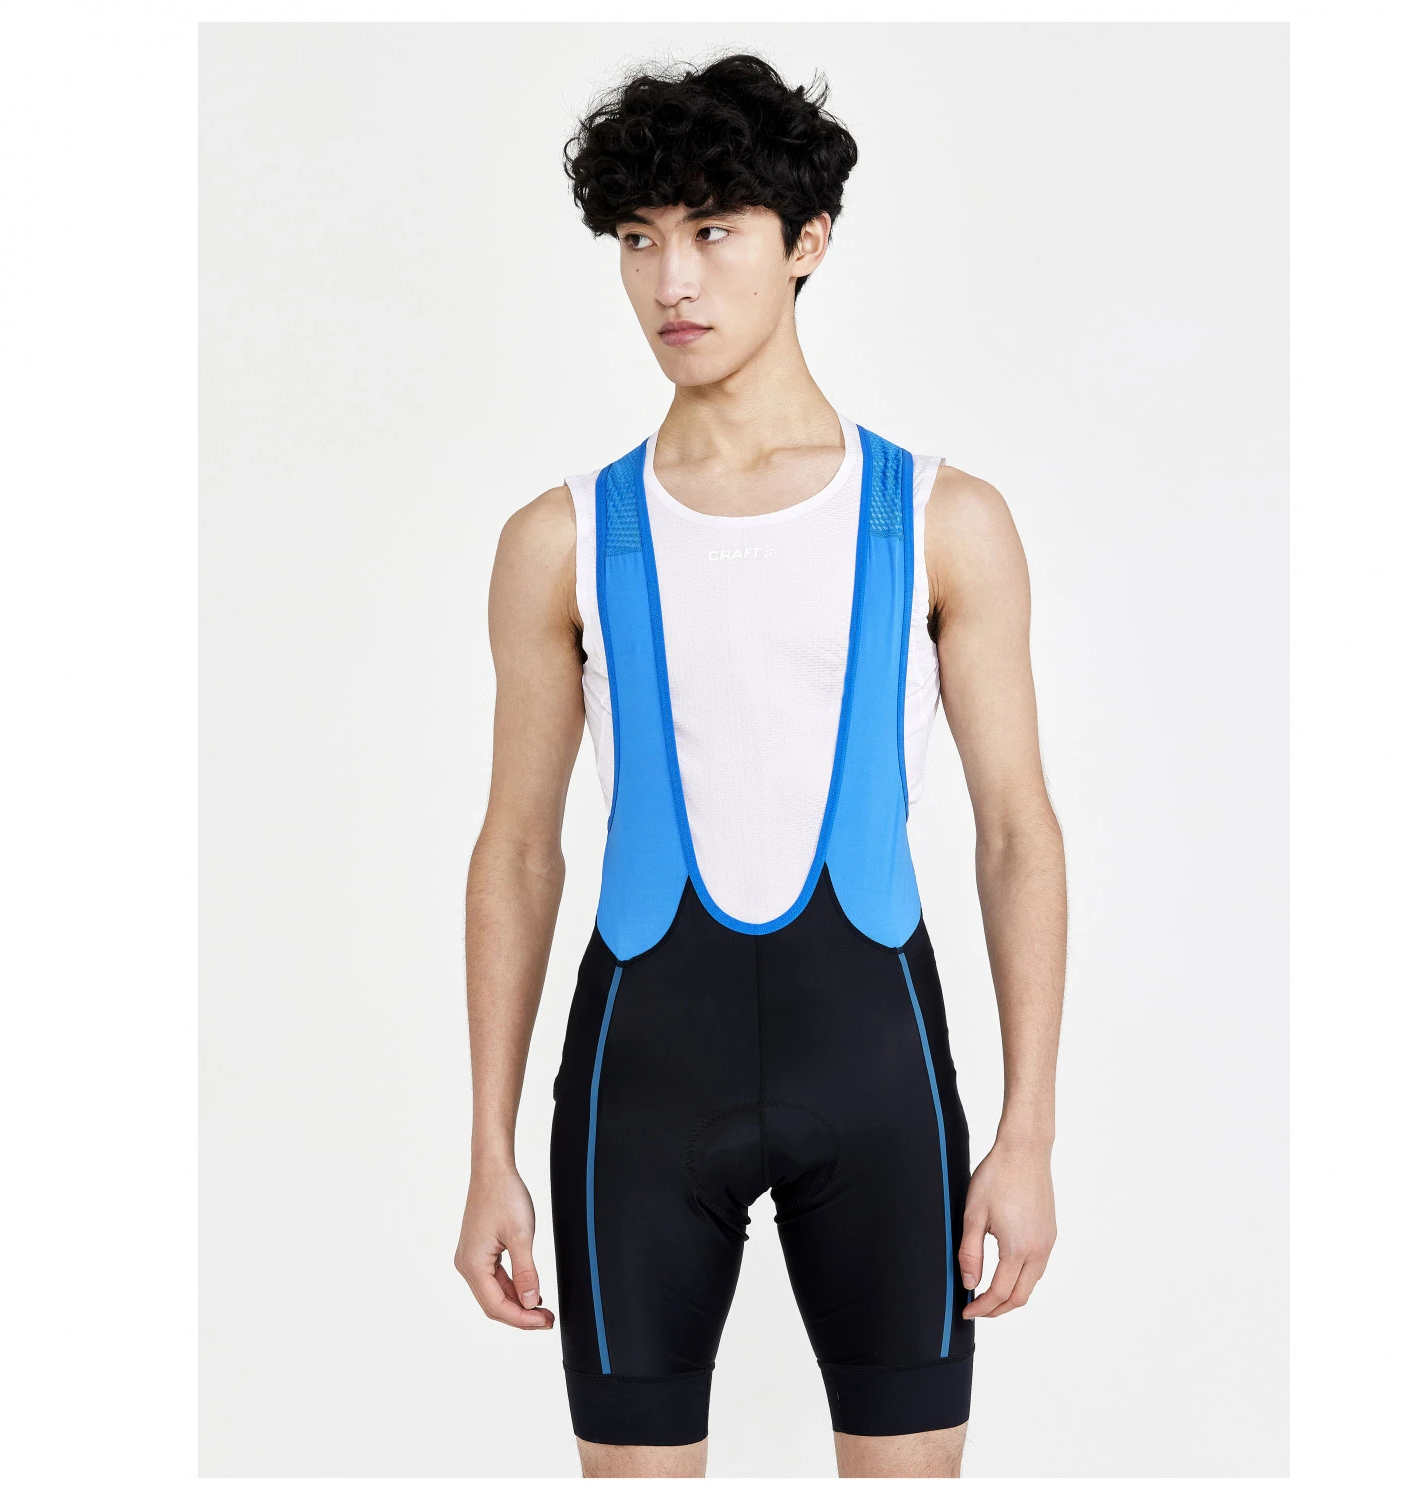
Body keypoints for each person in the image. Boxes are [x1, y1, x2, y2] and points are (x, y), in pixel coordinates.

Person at [454, 53, 1066, 1480]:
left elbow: (1017, 833)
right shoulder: (559, 539)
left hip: (882, 1081)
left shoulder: (943, 518)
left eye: (714, 230)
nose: (672, 280)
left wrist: (1028, 1135)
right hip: (636, 1094)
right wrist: (488, 1148)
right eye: (639, 238)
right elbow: (518, 850)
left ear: (807, 243)